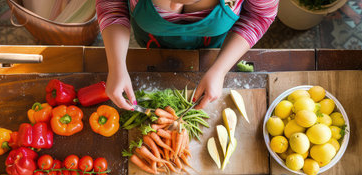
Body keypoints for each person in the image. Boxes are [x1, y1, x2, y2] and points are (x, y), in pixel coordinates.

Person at [96, 0, 278, 110]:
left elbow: (259, 15)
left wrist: (220, 70)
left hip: (214, 45)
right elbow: (112, 6)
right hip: (151, 43)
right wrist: (117, 65)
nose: (175, 5)